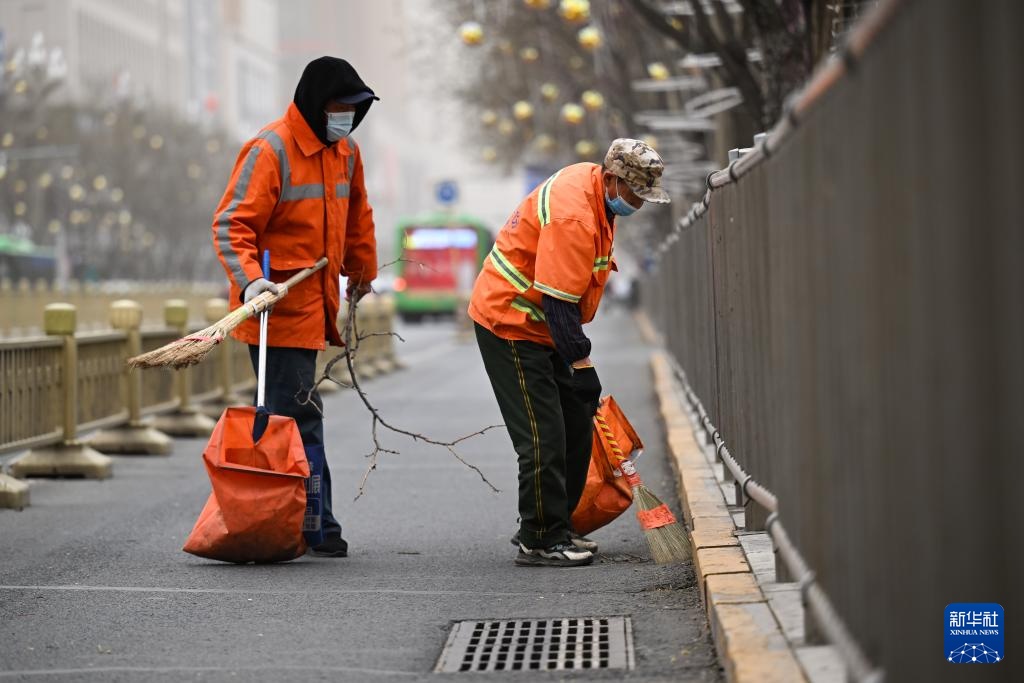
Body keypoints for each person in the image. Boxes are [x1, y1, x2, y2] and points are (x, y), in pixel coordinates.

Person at [469, 139, 670, 567]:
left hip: (542, 326)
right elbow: (559, 302)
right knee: (544, 436)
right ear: (614, 179)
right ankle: (540, 538)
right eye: (636, 195)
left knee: (577, 423)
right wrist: (582, 364)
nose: (639, 204)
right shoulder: (575, 215)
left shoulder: (597, 193)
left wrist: (577, 370)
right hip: (510, 322)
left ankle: (561, 524)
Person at [211, 57, 379, 558]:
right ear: (315, 103)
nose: (346, 117)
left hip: (314, 306)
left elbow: (357, 218)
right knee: (298, 416)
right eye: (339, 108)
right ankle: (314, 524)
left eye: (353, 110)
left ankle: (303, 519)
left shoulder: (345, 152)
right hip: (276, 311)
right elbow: (230, 225)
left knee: (295, 418)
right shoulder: (271, 149)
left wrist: (362, 273)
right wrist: (250, 282)